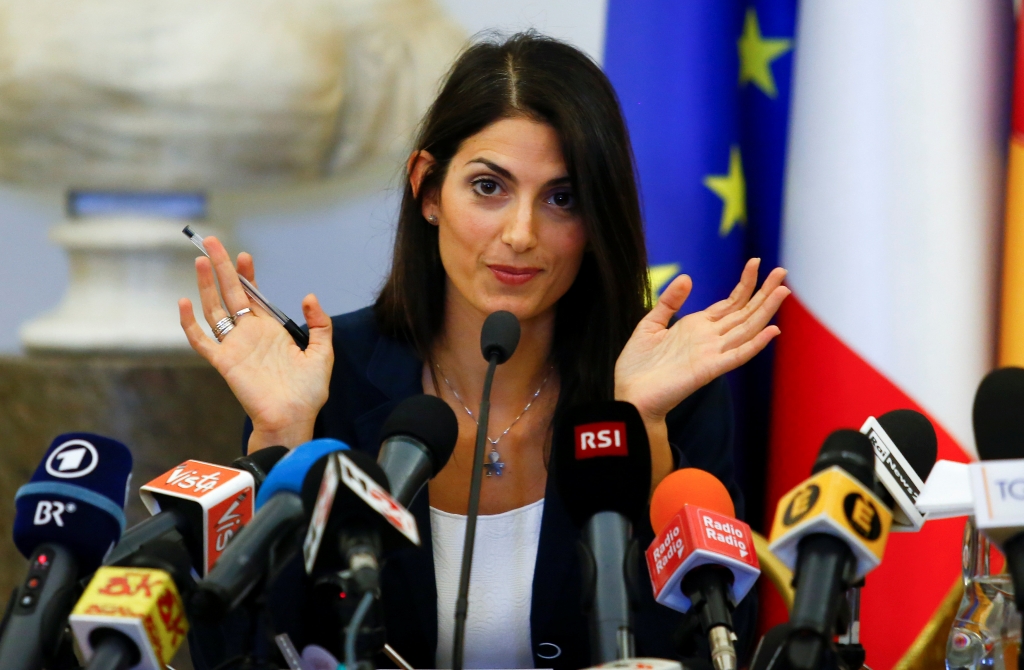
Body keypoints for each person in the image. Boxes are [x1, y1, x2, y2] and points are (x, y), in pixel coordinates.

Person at [180, 32, 789, 670]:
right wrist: (281, 433)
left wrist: (643, 430)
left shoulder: (667, 387)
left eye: (562, 198)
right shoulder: (327, 379)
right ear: (428, 189)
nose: (521, 234)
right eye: (489, 187)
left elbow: (714, 647)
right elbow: (236, 652)